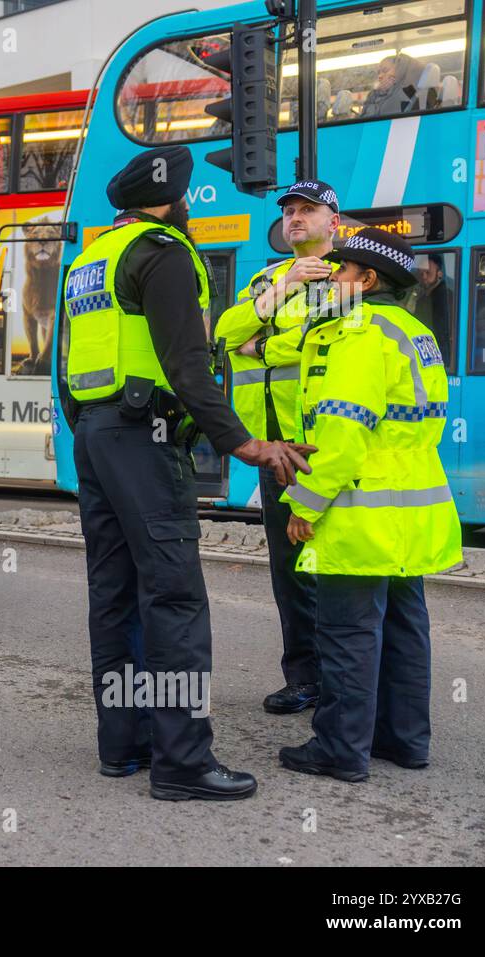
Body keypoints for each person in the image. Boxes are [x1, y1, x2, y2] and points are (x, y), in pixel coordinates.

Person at [59, 144, 313, 801]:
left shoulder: (90, 260)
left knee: (114, 596)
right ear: (170, 203)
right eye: (186, 199)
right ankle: (182, 761)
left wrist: (92, 426)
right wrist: (241, 443)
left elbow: (66, 370)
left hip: (94, 433)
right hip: (145, 438)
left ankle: (125, 745)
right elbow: (188, 365)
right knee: (173, 597)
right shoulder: (166, 253)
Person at [275, 228, 462, 782]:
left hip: (363, 507)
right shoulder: (415, 330)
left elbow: (342, 436)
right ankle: (404, 741)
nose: (333, 278)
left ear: (369, 279)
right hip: (413, 509)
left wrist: (304, 505)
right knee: (406, 626)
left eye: (343, 271)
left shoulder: (359, 334)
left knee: (348, 632)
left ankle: (339, 749)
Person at [216, 180, 340, 715]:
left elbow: (322, 340)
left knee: (332, 564)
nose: (294, 218)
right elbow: (223, 335)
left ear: (333, 220)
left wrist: (260, 343)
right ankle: (305, 677)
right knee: (288, 571)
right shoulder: (268, 276)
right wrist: (281, 288)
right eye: (289, 210)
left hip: (319, 441)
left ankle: (345, 680)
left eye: (307, 210)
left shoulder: (347, 275)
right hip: (271, 447)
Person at [412, 255, 452, 364]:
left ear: (440, 273)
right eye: (421, 273)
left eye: (428, 273)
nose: (424, 277)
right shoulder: (423, 295)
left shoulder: (444, 296)